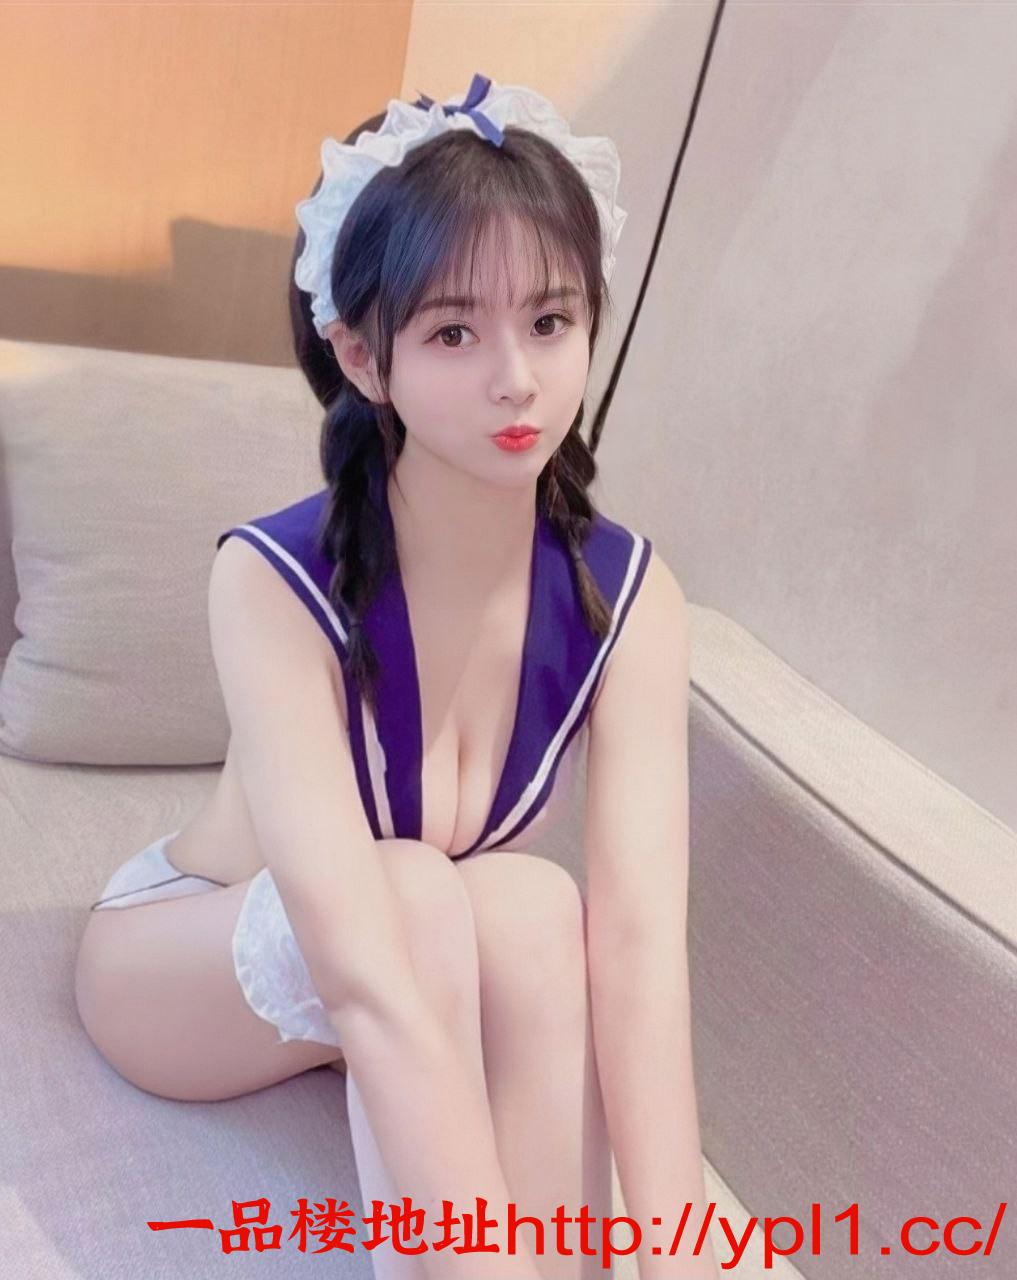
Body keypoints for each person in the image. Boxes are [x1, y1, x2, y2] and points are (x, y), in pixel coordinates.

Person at [74, 74, 718, 1280]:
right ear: (363, 357)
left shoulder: (631, 598)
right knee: (414, 894)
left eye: (550, 321)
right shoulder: (274, 578)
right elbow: (365, 965)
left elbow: (638, 950)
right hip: (187, 960)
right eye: (454, 332)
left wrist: (684, 1253)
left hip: (411, 959)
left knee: (537, 909)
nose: (517, 378)